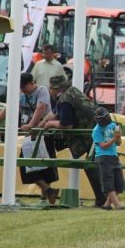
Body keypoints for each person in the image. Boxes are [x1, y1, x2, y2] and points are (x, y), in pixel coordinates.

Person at [0, 73, 57, 203]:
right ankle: (48, 191)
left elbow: (41, 108)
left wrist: (31, 125)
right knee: (26, 166)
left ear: (31, 83)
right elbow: (8, 108)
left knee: (45, 167)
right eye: (20, 87)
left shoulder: (42, 90)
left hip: (43, 134)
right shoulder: (20, 93)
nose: (22, 90)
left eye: (24, 87)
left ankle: (44, 196)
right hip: (30, 135)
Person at [43, 74, 107, 207]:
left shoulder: (64, 100)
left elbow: (67, 125)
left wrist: (51, 125)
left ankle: (103, 200)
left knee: (92, 166)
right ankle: (104, 199)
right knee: (95, 165)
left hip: (90, 133)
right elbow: (54, 113)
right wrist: (39, 125)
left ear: (54, 88)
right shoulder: (72, 91)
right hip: (98, 129)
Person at [92, 107, 125, 210]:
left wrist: (118, 136)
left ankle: (107, 205)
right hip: (103, 157)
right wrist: (114, 139)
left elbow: (119, 143)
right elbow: (103, 146)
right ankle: (118, 206)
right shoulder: (96, 131)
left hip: (114, 156)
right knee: (108, 184)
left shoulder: (112, 125)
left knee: (119, 184)